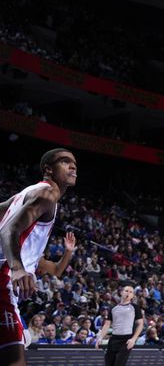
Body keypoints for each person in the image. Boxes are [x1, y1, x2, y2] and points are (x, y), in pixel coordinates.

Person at [0, 148, 78, 366]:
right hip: (3, 279)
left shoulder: (23, 195)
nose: (73, 166)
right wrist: (17, 269)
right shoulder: (47, 194)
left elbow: (55, 271)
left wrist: (68, 252)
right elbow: (8, 231)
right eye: (65, 162)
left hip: (8, 280)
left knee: (22, 339)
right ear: (48, 169)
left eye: (74, 163)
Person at [95, 285, 144, 366]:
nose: (128, 293)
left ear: (133, 296)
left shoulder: (135, 308)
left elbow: (140, 324)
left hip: (126, 339)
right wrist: (100, 337)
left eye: (131, 292)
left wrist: (133, 339)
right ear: (121, 293)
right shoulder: (114, 308)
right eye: (126, 291)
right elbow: (107, 324)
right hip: (114, 338)